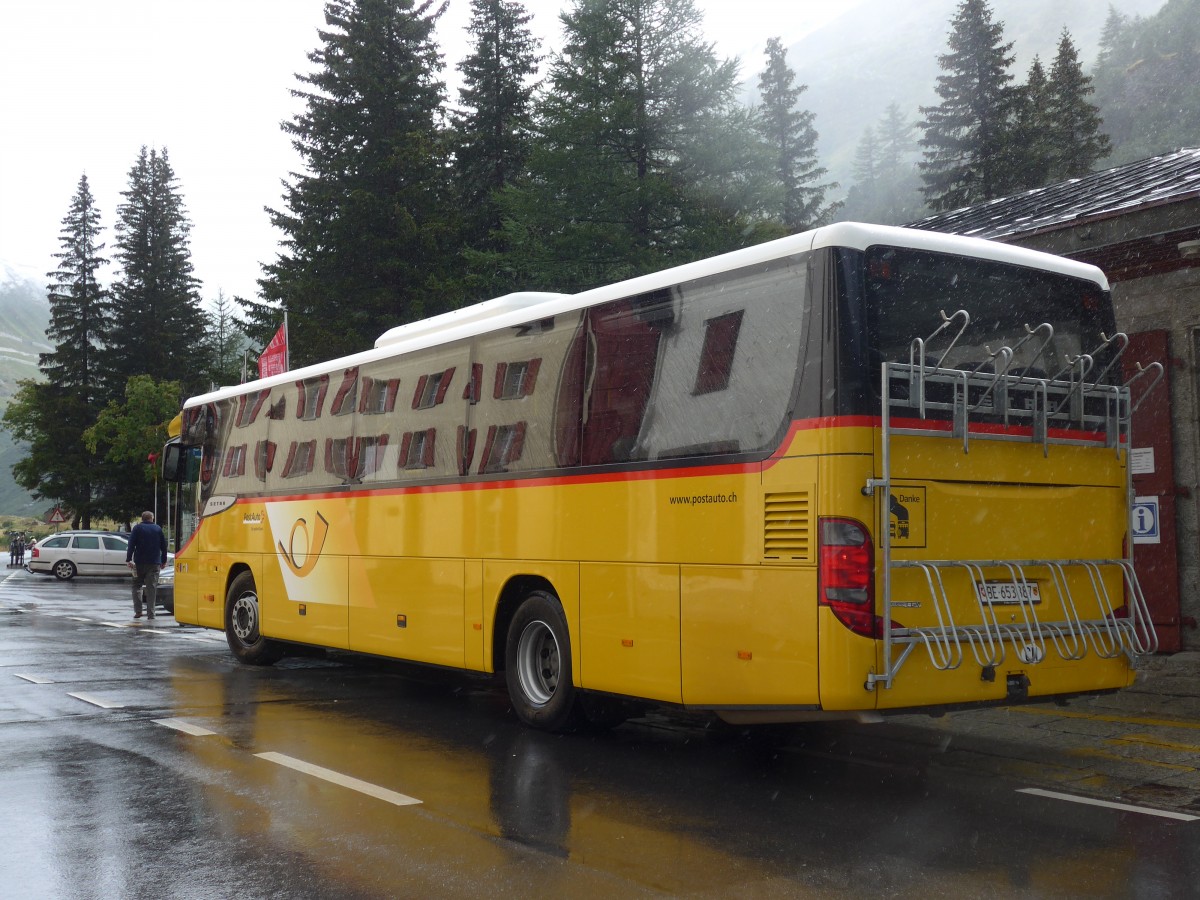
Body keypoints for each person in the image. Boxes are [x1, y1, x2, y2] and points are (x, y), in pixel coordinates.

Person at [126, 511, 168, 619]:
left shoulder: (137, 529)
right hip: (154, 563)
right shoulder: (158, 529)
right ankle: (151, 613)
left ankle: (138, 611)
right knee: (151, 588)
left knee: (136, 586)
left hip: (138, 562)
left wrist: (128, 559)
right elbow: (164, 546)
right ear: (152, 518)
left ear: (142, 518)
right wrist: (163, 561)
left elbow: (131, 544)